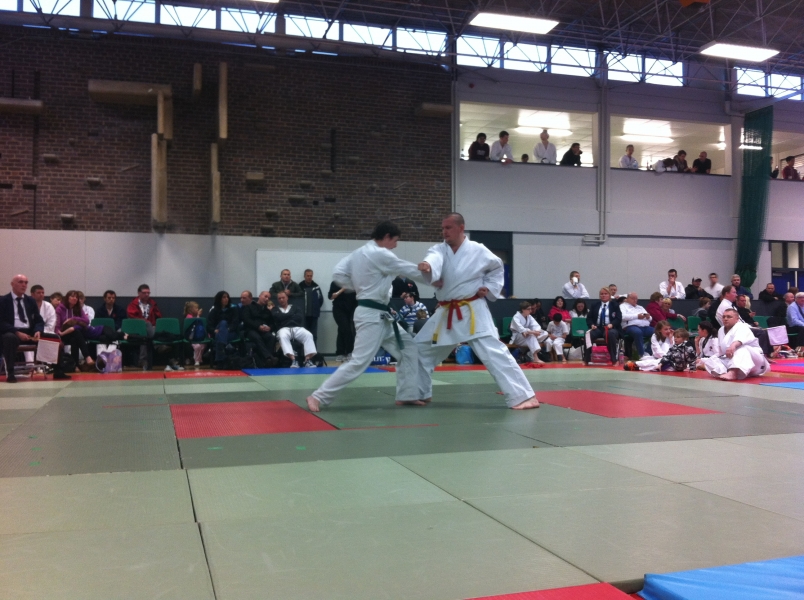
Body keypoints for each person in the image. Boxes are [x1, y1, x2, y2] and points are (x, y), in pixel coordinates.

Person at [415, 213, 540, 409]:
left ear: (461, 228)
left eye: (448, 227)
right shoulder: (439, 249)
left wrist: (489, 287)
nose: (444, 232)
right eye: (443, 228)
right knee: (418, 349)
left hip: (472, 310)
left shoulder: (478, 250)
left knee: (493, 352)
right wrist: (429, 267)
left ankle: (524, 396)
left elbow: (497, 267)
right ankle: (416, 393)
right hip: (446, 311)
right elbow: (434, 260)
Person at [306, 221, 428, 411]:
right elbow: (407, 269)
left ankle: (407, 395)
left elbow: (338, 274)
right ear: (386, 237)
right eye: (395, 240)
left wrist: (358, 286)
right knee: (359, 362)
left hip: (382, 315)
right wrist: (436, 277)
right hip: (371, 315)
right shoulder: (381, 254)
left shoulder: (358, 253)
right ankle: (318, 396)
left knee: (409, 349)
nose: (396, 245)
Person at [1, 275, 58, 383]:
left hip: (30, 332)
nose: (24, 285)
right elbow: (1, 322)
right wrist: (17, 332)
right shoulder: (3, 300)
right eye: (20, 282)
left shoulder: (30, 301)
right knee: (9, 338)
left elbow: (39, 320)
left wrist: (38, 330)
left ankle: (58, 371)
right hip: (12, 332)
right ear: (12, 284)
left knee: (55, 338)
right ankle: (11, 373)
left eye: (26, 282)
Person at [703, 309, 769, 380]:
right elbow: (721, 352)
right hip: (734, 359)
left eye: (729, 317)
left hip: (755, 361)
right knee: (711, 360)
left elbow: (738, 341)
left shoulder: (742, 326)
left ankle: (733, 372)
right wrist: (704, 360)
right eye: (724, 317)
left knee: (741, 348)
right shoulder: (721, 330)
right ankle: (723, 372)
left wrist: (733, 346)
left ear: (737, 319)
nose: (725, 319)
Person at [273, 291, 317, 368]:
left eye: (283, 298)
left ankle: (307, 360)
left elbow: (299, 318)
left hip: (297, 327)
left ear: (287, 298)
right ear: (277, 300)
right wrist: (290, 316)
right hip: (283, 329)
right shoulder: (275, 309)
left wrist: (284, 318)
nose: (281, 300)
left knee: (308, 335)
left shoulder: (295, 307)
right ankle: (293, 360)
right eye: (279, 298)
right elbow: (277, 318)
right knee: (283, 336)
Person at [55, 290, 94, 370]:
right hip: (63, 334)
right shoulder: (60, 309)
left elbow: (86, 321)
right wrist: (58, 339)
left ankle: (75, 365)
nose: (75, 298)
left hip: (73, 333)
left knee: (75, 338)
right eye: (72, 296)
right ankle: (87, 356)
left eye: (76, 297)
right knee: (76, 333)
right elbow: (57, 326)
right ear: (67, 298)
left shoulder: (78, 308)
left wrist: (73, 318)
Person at [126, 283, 161, 369]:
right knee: (146, 327)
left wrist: (156, 324)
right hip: (137, 328)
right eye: (144, 293)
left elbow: (158, 316)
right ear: (139, 293)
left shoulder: (152, 304)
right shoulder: (133, 304)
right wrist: (146, 322)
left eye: (148, 293)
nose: (147, 294)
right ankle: (157, 345)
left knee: (145, 336)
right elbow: (132, 317)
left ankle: (142, 361)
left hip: (151, 328)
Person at [585, 287, 622, 364]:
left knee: (610, 334)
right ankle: (587, 359)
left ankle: (613, 359)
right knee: (588, 334)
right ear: (599, 296)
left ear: (609, 295)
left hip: (610, 328)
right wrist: (592, 325)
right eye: (602, 294)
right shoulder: (594, 305)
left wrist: (612, 324)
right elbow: (589, 318)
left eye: (605, 294)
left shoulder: (615, 305)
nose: (603, 295)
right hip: (597, 328)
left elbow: (618, 318)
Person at [241, 291, 276, 368]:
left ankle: (267, 361)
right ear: (259, 296)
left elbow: (272, 323)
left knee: (271, 337)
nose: (267, 299)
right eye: (265, 296)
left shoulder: (267, 311)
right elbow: (247, 320)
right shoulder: (249, 307)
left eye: (269, 298)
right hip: (251, 330)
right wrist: (258, 326)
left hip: (264, 331)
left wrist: (269, 328)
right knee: (256, 337)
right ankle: (268, 357)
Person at [207, 291, 241, 368]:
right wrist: (214, 330)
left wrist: (227, 329)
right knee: (222, 324)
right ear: (219, 299)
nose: (226, 299)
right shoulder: (214, 311)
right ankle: (222, 359)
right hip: (217, 332)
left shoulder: (233, 310)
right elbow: (209, 326)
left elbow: (235, 323)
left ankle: (219, 360)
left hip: (231, 333)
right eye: (224, 297)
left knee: (223, 324)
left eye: (227, 297)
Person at [329, 281, 356, 362]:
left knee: (342, 330)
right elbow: (331, 296)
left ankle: (340, 353)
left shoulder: (354, 283)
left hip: (351, 310)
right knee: (346, 329)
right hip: (339, 310)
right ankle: (349, 351)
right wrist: (342, 289)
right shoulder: (335, 283)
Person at [621, 292, 654, 358]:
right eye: (633, 298)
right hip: (631, 326)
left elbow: (650, 319)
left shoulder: (640, 307)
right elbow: (623, 317)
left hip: (645, 327)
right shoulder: (623, 306)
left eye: (636, 299)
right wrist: (637, 316)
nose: (635, 300)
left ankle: (648, 352)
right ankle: (641, 355)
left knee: (658, 332)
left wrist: (648, 317)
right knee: (638, 332)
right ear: (627, 298)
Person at [299, 269, 324, 342]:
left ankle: (314, 349)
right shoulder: (300, 286)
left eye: (311, 276)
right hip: (303, 316)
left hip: (314, 315)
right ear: (304, 276)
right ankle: (304, 349)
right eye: (308, 276)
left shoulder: (316, 287)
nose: (309, 277)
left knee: (314, 335)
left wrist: (316, 308)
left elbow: (320, 300)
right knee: (304, 335)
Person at [183, 301, 206, 367]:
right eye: (196, 308)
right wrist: (198, 316)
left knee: (203, 345)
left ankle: (197, 358)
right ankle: (197, 360)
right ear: (191, 309)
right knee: (197, 346)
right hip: (192, 337)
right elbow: (195, 323)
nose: (197, 309)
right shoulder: (189, 317)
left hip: (198, 337)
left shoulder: (196, 317)